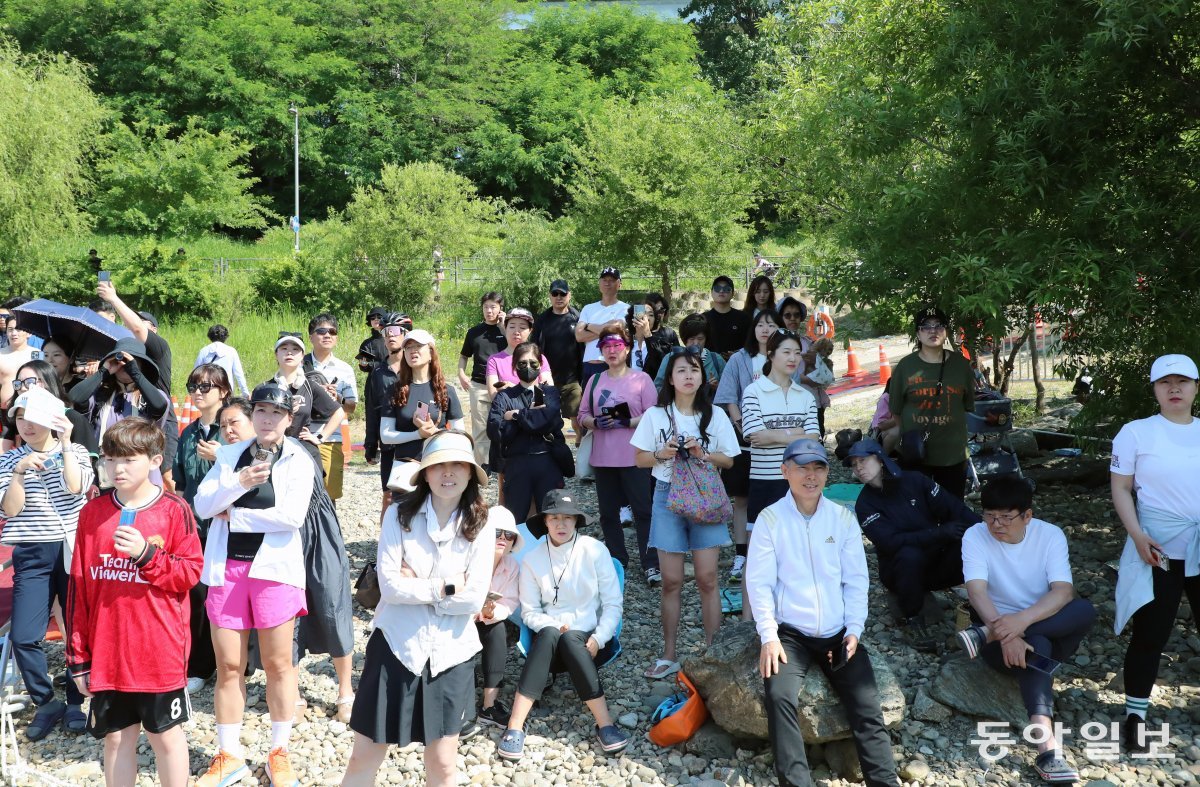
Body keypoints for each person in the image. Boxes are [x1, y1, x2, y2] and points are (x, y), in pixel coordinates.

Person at [340, 431, 497, 787]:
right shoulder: (398, 515)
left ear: (471, 472)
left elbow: (474, 599)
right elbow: (391, 588)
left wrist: (418, 584)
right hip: (396, 644)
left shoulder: (483, 522)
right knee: (364, 755)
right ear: (424, 473)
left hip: (451, 653)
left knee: (443, 764)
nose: (448, 473)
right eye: (438, 465)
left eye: (458, 464)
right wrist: (446, 585)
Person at [748, 438, 901, 787]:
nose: (810, 475)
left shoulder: (842, 519)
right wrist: (768, 637)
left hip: (838, 633)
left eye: (818, 467)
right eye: (802, 467)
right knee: (779, 695)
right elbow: (759, 584)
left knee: (866, 703)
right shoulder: (770, 519)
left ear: (827, 473)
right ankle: (796, 781)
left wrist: (854, 630)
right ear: (785, 471)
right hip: (791, 634)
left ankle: (884, 781)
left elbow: (856, 581)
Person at [66, 418, 202, 787]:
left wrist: (146, 555)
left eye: (128, 459)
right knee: (116, 737)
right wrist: (78, 655)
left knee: (166, 737)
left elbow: (189, 574)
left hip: (159, 648)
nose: (117, 468)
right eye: (110, 459)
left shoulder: (175, 510)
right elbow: (79, 586)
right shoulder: (92, 513)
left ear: (155, 461)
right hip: (109, 649)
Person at [192, 383, 315, 787]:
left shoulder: (299, 458)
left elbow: (291, 516)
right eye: (260, 411)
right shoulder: (229, 456)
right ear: (251, 415)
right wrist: (239, 483)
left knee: (279, 664)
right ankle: (229, 755)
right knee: (229, 665)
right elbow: (204, 506)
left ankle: (279, 752)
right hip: (226, 569)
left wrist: (236, 516)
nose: (267, 419)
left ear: (288, 419)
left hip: (274, 571)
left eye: (275, 413)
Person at [955, 475, 1094, 784]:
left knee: (1084, 610)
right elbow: (977, 592)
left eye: (1006, 517)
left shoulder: (1049, 535)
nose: (996, 524)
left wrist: (1018, 623)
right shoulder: (975, 536)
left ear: (1027, 516)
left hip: (1002, 631)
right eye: (990, 515)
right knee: (1039, 646)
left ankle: (986, 634)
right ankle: (1047, 748)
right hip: (1000, 640)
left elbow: (1062, 592)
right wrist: (1008, 634)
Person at [1110, 353, 1200, 754]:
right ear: (1155, 390)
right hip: (1157, 547)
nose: (1175, 388)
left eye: (1183, 381)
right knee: (1152, 632)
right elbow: (1121, 488)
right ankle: (1135, 717)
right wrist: (1137, 535)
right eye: (1166, 382)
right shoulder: (1135, 432)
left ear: (1197, 386)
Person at [497, 490, 629, 761]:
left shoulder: (594, 550)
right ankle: (515, 727)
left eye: (567, 518)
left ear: (577, 521)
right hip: (548, 645)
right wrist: (556, 625)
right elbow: (530, 611)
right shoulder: (533, 559)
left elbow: (613, 604)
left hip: (591, 643)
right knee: (549, 633)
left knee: (570, 639)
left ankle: (605, 724)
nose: (561, 524)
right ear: (544, 521)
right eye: (554, 517)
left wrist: (599, 638)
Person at [632, 348, 739, 679]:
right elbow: (639, 459)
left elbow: (730, 459)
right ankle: (668, 654)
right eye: (681, 370)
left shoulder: (715, 415)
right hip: (666, 496)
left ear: (702, 376)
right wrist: (661, 453)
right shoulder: (655, 415)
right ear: (671, 378)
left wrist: (702, 453)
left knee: (708, 578)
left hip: (705, 497)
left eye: (694, 369)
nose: (689, 375)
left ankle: (712, 651)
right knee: (671, 581)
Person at [0, 386, 94, 739]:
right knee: (25, 636)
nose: (26, 425)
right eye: (20, 417)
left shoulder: (78, 451)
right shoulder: (8, 460)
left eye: (35, 417)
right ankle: (45, 701)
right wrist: (20, 473)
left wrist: (67, 443)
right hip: (31, 550)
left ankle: (75, 701)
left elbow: (76, 487)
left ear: (54, 419)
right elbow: (9, 510)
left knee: (76, 630)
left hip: (72, 547)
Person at [847, 438, 980, 650]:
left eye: (863, 460)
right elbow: (890, 542)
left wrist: (986, 532)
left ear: (880, 459)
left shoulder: (916, 481)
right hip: (899, 572)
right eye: (854, 464)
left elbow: (954, 508)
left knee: (970, 542)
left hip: (936, 563)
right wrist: (938, 533)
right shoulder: (864, 505)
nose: (858, 468)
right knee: (910, 554)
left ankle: (985, 605)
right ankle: (912, 620)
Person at [577, 325, 660, 584]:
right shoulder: (594, 381)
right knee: (607, 513)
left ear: (626, 349)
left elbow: (655, 414)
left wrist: (628, 422)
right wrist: (593, 422)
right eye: (606, 347)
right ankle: (616, 560)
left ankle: (651, 563)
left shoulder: (641, 379)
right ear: (600, 351)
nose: (612, 351)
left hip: (636, 456)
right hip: (603, 458)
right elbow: (582, 415)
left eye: (617, 346)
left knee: (643, 510)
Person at [172, 364, 232, 693]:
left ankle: (238, 663)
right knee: (197, 596)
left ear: (223, 391)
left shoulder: (234, 430)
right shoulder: (188, 434)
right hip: (197, 526)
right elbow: (181, 485)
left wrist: (222, 455)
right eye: (193, 385)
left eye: (206, 386)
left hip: (232, 526)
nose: (198, 392)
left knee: (228, 594)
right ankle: (200, 665)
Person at [714, 308, 782, 582]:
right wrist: (741, 424)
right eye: (760, 325)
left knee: (776, 497)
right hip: (743, 440)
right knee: (741, 498)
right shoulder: (740, 359)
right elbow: (729, 396)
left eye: (771, 324)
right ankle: (742, 554)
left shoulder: (785, 357)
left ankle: (773, 553)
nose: (765, 329)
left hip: (777, 440)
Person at [887, 305, 974, 498]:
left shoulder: (961, 365)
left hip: (953, 453)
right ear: (917, 333)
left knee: (952, 508)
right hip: (915, 453)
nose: (933, 331)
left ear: (946, 331)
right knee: (917, 508)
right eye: (926, 326)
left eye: (939, 325)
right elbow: (895, 410)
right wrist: (909, 434)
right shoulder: (905, 366)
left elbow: (967, 405)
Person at [742, 328, 820, 533]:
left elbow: (812, 440)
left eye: (797, 352)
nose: (793, 358)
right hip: (764, 479)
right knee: (760, 541)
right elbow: (757, 436)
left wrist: (776, 435)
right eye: (786, 352)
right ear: (771, 353)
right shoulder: (753, 392)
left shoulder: (805, 396)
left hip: (800, 479)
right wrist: (795, 433)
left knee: (799, 539)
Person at [69, 338, 171, 486]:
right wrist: (104, 371)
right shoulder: (100, 395)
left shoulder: (152, 396)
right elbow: (75, 398)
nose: (124, 366)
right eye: (119, 362)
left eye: (132, 362)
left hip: (142, 475)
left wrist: (135, 372)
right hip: (105, 473)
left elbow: (159, 405)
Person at [487, 341, 565, 522]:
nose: (528, 367)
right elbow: (495, 430)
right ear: (514, 366)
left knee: (551, 517)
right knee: (515, 519)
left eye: (533, 363)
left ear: (540, 365)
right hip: (517, 464)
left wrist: (515, 416)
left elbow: (548, 422)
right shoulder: (504, 395)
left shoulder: (550, 393)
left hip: (548, 461)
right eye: (522, 363)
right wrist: (531, 417)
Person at [461, 508, 522, 737]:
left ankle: (489, 705)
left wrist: (490, 612)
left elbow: (510, 603)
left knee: (497, 630)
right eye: (497, 533)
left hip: (486, 619)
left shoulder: (512, 566)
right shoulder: (467, 557)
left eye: (509, 535)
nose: (503, 539)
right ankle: (462, 704)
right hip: (460, 619)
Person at [379, 328, 465, 474]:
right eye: (408, 347)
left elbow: (460, 434)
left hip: (439, 465)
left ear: (431, 352)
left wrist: (435, 433)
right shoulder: (395, 390)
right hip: (405, 467)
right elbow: (386, 436)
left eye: (418, 346)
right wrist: (418, 434)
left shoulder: (446, 390)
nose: (413, 351)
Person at [268, 332, 345, 467]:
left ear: (302, 356)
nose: (289, 353)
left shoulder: (310, 386)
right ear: (276, 354)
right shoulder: (265, 388)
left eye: (295, 349)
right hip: (272, 449)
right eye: (284, 348)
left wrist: (320, 437)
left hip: (303, 450)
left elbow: (338, 412)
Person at [305, 313, 358, 501]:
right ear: (311, 336)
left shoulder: (345, 369)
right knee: (301, 494)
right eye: (321, 331)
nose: (327, 335)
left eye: (332, 332)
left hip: (331, 438)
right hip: (301, 435)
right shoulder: (299, 363)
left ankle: (329, 530)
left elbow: (351, 407)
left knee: (329, 495)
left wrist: (338, 397)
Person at [364, 313, 410, 521]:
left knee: (417, 495)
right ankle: (385, 545)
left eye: (395, 332)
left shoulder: (418, 369)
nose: (391, 336)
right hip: (389, 443)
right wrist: (370, 445)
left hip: (416, 442)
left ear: (406, 335)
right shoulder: (377, 373)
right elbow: (371, 410)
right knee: (389, 496)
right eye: (386, 332)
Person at [3, 360, 98, 458]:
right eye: (18, 383)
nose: (22, 388)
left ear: (48, 382)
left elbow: (87, 466)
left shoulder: (72, 418)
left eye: (30, 382)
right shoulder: (22, 418)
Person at [458, 292, 507, 468]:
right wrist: (461, 373)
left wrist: (503, 327)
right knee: (480, 428)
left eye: (493, 306)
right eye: (486, 307)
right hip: (479, 384)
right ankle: (483, 465)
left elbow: (518, 349)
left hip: (503, 384)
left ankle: (503, 461)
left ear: (501, 308)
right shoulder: (474, 332)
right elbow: (464, 356)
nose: (489, 310)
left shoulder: (508, 329)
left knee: (504, 424)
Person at [532, 280, 582, 435]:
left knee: (578, 420)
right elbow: (534, 347)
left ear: (569, 295)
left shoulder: (578, 318)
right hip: (548, 379)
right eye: (555, 293)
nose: (559, 297)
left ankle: (580, 451)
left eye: (563, 293)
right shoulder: (542, 319)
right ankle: (553, 450)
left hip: (573, 379)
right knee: (549, 420)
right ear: (550, 296)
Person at [575, 267, 629, 380]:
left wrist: (588, 326)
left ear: (619, 284)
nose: (608, 283)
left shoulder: (626, 309)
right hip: (589, 365)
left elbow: (617, 328)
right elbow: (579, 336)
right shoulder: (588, 308)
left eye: (612, 280)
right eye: (605, 280)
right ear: (599, 283)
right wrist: (607, 330)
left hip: (611, 364)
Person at [653, 314, 726, 393]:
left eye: (700, 339)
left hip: (709, 405)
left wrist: (717, 387)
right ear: (685, 339)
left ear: (706, 339)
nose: (696, 343)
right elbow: (657, 387)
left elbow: (729, 390)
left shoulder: (716, 360)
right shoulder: (671, 357)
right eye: (691, 338)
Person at [628, 293, 679, 380]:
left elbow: (661, 365)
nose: (646, 318)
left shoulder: (660, 341)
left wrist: (648, 334)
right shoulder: (625, 340)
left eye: (651, 315)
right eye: (642, 313)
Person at [194, 324, 251, 397]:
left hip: (208, 389)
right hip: (226, 389)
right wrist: (245, 392)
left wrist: (194, 390)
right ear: (225, 336)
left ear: (210, 336)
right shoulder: (231, 351)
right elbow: (239, 374)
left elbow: (196, 372)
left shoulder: (204, 351)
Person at [703, 275, 750, 361]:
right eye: (717, 288)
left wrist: (737, 354)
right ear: (712, 292)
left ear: (732, 293)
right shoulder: (703, 319)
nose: (721, 291)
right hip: (710, 366)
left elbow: (750, 344)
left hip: (737, 365)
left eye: (726, 289)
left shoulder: (744, 318)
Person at [0, 316, 37, 404]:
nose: (14, 333)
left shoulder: (37, 354)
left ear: (29, 333)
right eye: (10, 329)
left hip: (31, 405)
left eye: (18, 329)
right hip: (5, 407)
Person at [355, 306, 389, 374]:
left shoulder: (393, 338)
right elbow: (365, 366)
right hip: (374, 380)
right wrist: (364, 365)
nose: (376, 319)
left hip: (393, 378)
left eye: (379, 317)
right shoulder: (366, 344)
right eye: (373, 318)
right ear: (370, 322)